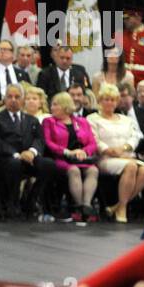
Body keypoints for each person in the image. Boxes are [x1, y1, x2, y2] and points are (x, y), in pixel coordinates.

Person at [0, 82, 56, 220]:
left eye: (17, 97)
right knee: (15, 164)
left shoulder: (31, 120)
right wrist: (16, 154)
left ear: (23, 99)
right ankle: (12, 203)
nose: (13, 100)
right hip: (5, 158)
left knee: (48, 164)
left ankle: (31, 199)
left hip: (28, 156)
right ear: (5, 99)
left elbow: (39, 140)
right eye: (10, 96)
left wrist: (32, 151)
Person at [87, 83, 144, 223]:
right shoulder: (92, 119)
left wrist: (125, 148)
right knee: (132, 166)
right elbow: (93, 138)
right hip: (105, 158)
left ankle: (119, 205)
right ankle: (122, 209)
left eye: (113, 100)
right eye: (106, 99)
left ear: (117, 102)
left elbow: (135, 137)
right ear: (100, 101)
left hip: (126, 155)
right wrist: (109, 150)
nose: (109, 102)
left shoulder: (126, 120)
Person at [43, 91, 99, 223]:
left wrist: (84, 151)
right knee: (73, 170)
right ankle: (78, 207)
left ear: (65, 106)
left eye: (55, 104)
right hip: (61, 158)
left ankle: (87, 206)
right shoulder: (49, 121)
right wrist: (67, 152)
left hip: (81, 158)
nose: (52, 108)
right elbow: (48, 142)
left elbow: (92, 143)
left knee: (93, 170)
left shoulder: (82, 122)